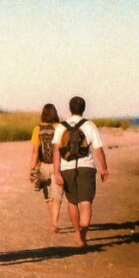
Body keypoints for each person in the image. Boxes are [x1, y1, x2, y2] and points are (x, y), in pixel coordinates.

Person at [52, 96, 110, 247]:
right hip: (86, 167)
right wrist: (104, 168)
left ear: (70, 108)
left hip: (67, 168)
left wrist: (56, 172)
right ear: (83, 108)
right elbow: (98, 149)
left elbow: (56, 151)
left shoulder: (61, 127)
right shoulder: (90, 125)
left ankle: (77, 233)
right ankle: (83, 236)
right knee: (86, 203)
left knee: (72, 202)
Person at [29, 103, 65, 233]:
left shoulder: (37, 129)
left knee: (48, 196)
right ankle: (54, 223)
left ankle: (53, 221)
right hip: (58, 165)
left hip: (42, 165)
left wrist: (32, 170)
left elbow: (35, 151)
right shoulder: (61, 128)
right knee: (57, 195)